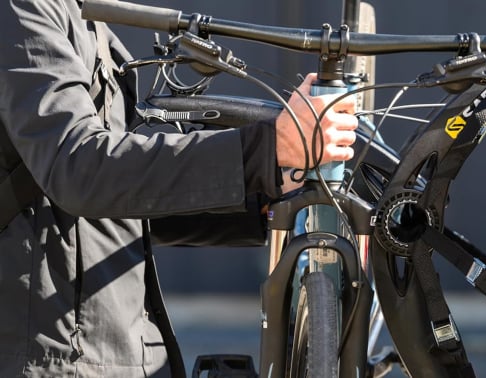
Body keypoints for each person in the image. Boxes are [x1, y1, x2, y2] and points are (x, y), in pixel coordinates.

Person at [0, 0, 358, 377]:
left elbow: (123, 203)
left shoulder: (84, 20)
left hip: (112, 353)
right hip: (50, 359)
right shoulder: (23, 11)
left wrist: (265, 192)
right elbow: (80, 169)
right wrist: (265, 150)